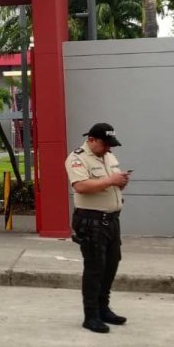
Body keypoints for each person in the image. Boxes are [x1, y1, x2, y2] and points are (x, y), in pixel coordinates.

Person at [65, 122, 130, 334]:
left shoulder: (108, 156)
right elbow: (81, 186)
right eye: (105, 144)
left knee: (111, 263)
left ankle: (104, 308)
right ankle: (90, 315)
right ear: (91, 140)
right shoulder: (77, 158)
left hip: (111, 220)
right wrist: (111, 180)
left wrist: (120, 182)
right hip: (91, 221)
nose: (109, 149)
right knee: (95, 267)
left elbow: (109, 182)